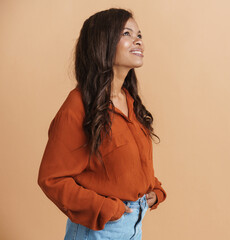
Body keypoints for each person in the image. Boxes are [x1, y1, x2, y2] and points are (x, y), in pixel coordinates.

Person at [37, 8, 167, 240]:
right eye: (126, 33)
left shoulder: (130, 102)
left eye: (139, 34)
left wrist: (155, 191)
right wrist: (108, 209)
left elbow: (127, 164)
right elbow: (52, 179)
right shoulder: (79, 105)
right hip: (99, 230)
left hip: (134, 227)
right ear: (103, 43)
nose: (138, 40)